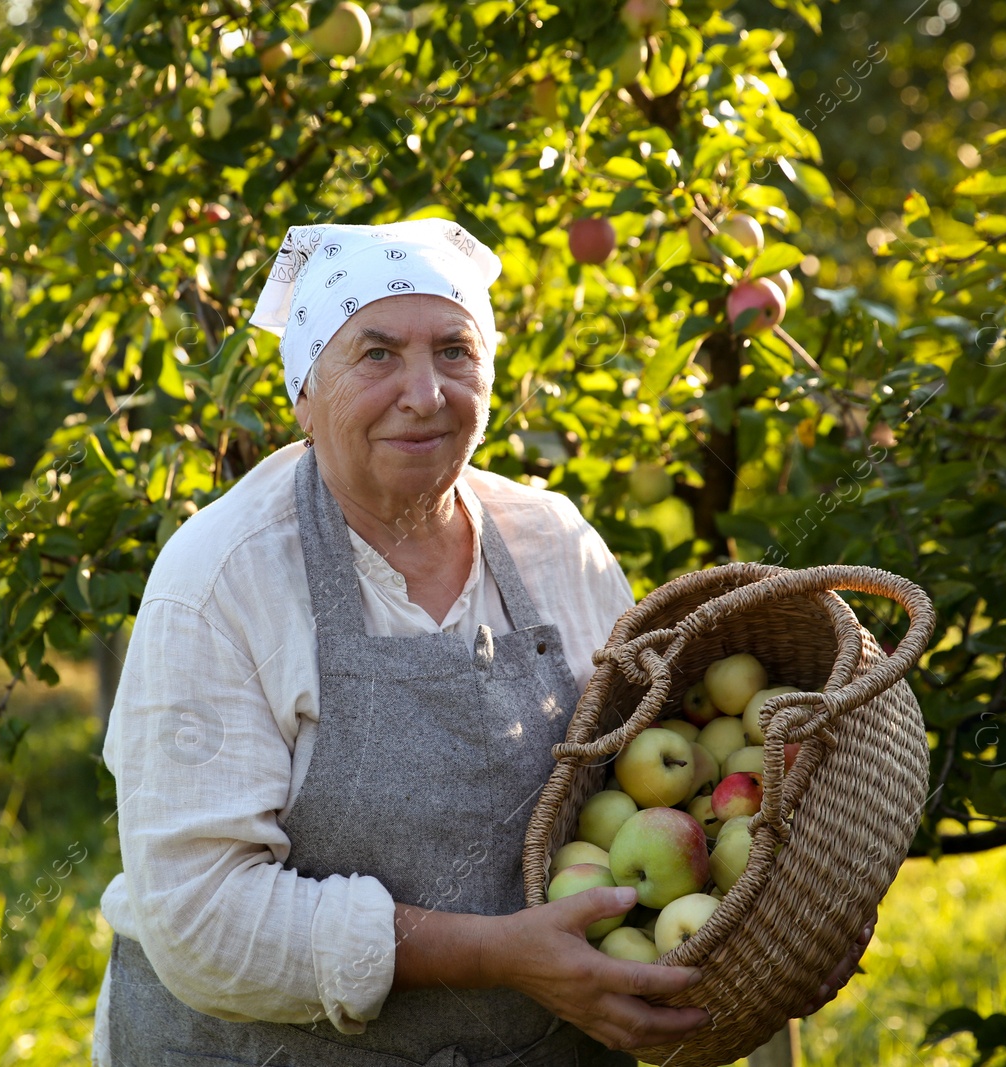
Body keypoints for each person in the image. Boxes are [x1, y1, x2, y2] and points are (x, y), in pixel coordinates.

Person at [92, 217, 868, 1066]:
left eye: (455, 351)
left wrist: (784, 917)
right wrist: (499, 952)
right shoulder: (220, 580)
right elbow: (202, 918)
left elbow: (643, 779)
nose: (425, 393)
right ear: (303, 394)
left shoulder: (554, 545)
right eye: (377, 353)